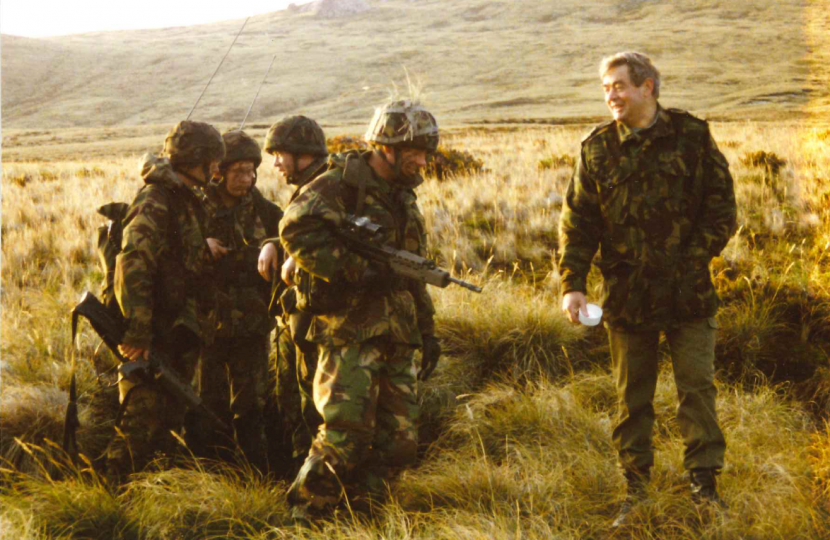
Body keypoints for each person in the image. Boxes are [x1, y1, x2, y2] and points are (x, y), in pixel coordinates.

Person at [557, 51, 737, 527]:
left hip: (689, 295)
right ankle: (634, 489)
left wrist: (689, 260)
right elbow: (578, 223)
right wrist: (572, 284)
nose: (611, 95)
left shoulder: (692, 137)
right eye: (605, 87)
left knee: (696, 392)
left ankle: (704, 485)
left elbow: (722, 210)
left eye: (618, 85)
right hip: (627, 297)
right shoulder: (596, 149)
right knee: (631, 398)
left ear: (648, 87)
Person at [279, 99, 442, 519]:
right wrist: (357, 270)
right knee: (344, 437)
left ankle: (364, 517)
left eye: (426, 152)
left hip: (397, 333)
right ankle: (306, 520)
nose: (422, 161)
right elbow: (295, 229)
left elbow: (412, 270)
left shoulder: (403, 197)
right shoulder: (339, 185)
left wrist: (426, 328)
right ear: (385, 147)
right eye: (414, 152)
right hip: (348, 332)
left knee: (399, 441)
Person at [106, 120, 225, 482]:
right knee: (140, 422)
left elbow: (175, 256)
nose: (218, 170)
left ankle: (150, 496)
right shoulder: (157, 199)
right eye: (215, 162)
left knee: (168, 422)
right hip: (153, 333)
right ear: (197, 161)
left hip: (176, 329)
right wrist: (138, 331)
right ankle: (112, 500)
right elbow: (134, 261)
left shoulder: (185, 198)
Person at [189, 129, 282, 471]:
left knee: (252, 404)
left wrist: (275, 243)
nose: (248, 179)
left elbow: (295, 236)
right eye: (238, 171)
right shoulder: (195, 207)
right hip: (205, 324)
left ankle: (254, 474)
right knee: (205, 401)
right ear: (218, 171)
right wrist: (201, 248)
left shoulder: (264, 210)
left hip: (253, 324)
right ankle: (209, 471)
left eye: (252, 170)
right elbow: (164, 252)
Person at [257, 116, 329, 472]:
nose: (275, 164)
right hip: (300, 322)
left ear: (302, 154)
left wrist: (300, 259)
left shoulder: (327, 189)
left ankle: (315, 489)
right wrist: (274, 243)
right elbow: (300, 232)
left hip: (321, 326)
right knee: (295, 404)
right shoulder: (309, 188)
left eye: (279, 154)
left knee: (315, 411)